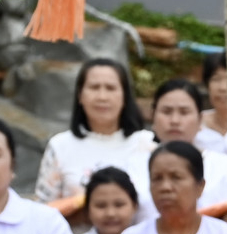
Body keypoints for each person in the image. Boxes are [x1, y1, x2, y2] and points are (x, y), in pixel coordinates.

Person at [36, 59, 149, 211]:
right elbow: (41, 211)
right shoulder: (61, 146)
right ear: (80, 95)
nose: (102, 96)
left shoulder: (148, 144)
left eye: (111, 88)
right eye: (94, 87)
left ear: (125, 97)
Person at [147, 79, 227, 207]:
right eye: (167, 112)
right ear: (153, 116)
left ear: (200, 119)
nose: (175, 120)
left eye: (184, 112)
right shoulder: (133, 165)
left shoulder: (226, 167)